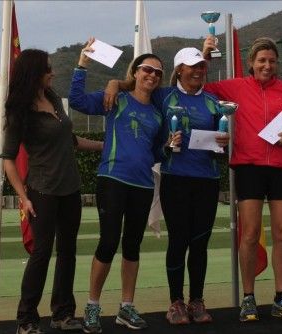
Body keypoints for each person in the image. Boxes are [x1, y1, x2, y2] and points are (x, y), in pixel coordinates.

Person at [104, 47, 230, 325]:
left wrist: (223, 142)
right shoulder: (164, 96)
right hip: (175, 179)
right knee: (179, 240)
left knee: (200, 243)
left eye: (201, 66)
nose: (197, 71)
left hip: (207, 180)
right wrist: (115, 83)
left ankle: (196, 300)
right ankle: (176, 302)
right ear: (179, 71)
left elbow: (221, 142)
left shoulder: (214, 102)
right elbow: (136, 85)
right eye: (191, 66)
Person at [203, 36, 282, 322]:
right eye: (261, 60)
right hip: (248, 168)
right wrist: (206, 54)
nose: (267, 65)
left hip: (281, 168)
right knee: (249, 234)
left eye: (272, 61)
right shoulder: (235, 87)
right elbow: (200, 84)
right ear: (251, 63)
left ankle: (281, 298)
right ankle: (248, 299)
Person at [1, 49, 103, 334]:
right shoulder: (20, 111)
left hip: (71, 190)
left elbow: (71, 140)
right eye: (48, 69)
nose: (52, 73)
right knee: (41, 254)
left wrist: (104, 146)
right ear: (33, 72)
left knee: (68, 252)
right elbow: (8, 159)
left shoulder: (54, 98)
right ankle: (27, 320)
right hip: (41, 192)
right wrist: (24, 197)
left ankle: (63, 314)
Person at [68, 38, 166, 333]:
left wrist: (171, 148)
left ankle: (126, 307)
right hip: (112, 179)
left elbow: (157, 152)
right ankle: (93, 306)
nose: (152, 75)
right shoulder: (117, 99)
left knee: (133, 246)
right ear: (135, 72)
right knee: (108, 242)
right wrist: (82, 65)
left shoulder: (158, 113)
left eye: (158, 73)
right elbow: (77, 101)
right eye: (147, 69)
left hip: (143, 185)